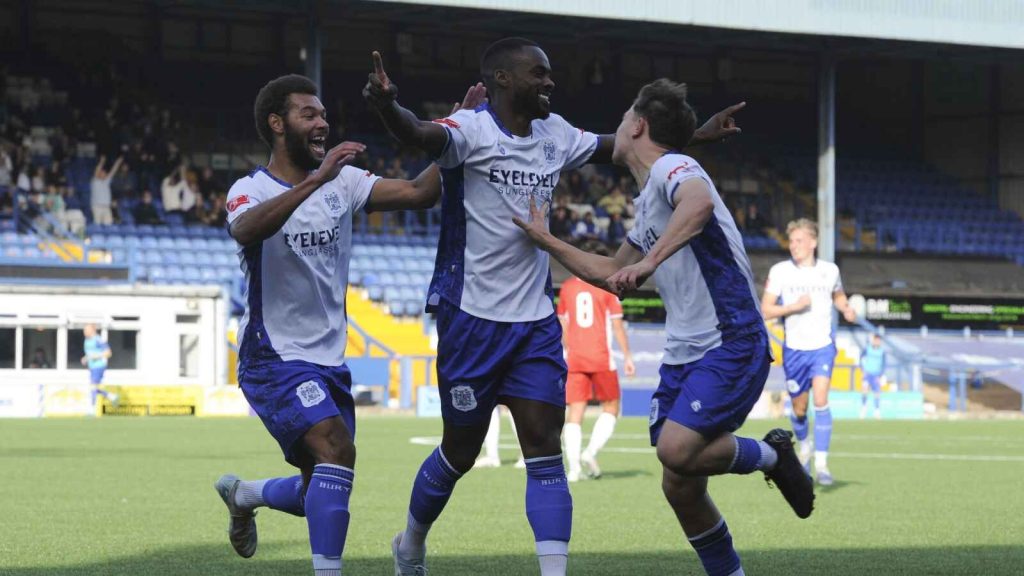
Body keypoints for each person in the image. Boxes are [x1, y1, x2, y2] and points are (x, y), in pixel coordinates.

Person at [364, 39, 745, 576]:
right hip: (470, 317)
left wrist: (692, 135)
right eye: (538, 73)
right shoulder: (470, 129)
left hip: (535, 324)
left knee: (545, 449)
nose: (550, 82)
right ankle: (411, 544)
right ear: (502, 78)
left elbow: (624, 144)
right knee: (460, 452)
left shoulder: (557, 134)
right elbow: (418, 133)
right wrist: (387, 105)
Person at [514, 78, 813, 576]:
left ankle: (772, 456)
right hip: (684, 352)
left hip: (730, 338)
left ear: (637, 125)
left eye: (623, 117)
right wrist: (546, 240)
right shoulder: (650, 199)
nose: (616, 126)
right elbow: (612, 273)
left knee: (677, 449)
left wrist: (650, 261)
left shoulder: (677, 168)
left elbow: (697, 205)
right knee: (679, 482)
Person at [212, 74, 484, 576]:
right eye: (308, 114)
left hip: (329, 359)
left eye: (323, 114)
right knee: (336, 448)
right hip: (272, 356)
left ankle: (245, 494)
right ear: (277, 124)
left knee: (322, 482)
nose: (323, 123)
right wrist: (316, 180)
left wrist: (457, 129)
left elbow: (421, 191)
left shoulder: (346, 181)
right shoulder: (250, 189)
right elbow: (246, 229)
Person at [760, 218, 857, 486]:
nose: (794, 246)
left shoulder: (830, 271)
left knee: (821, 399)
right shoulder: (780, 271)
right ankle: (805, 446)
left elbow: (838, 295)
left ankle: (822, 465)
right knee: (800, 409)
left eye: (799, 241)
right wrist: (793, 307)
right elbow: (766, 309)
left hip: (822, 346)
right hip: (794, 350)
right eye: (791, 241)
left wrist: (846, 308)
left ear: (813, 242)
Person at [557, 256, 635, 482]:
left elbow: (563, 324)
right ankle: (590, 452)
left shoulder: (568, 287)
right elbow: (617, 326)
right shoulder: (606, 287)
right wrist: (627, 356)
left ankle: (573, 470)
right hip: (601, 358)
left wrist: (569, 349)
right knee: (611, 406)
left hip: (575, 358)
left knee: (575, 412)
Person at [81, 324, 118, 407]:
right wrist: (85, 358)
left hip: (99, 366)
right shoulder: (87, 340)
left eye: (86, 330)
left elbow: (108, 353)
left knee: (93, 386)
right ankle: (111, 396)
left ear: (92, 330)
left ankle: (93, 407)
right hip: (92, 366)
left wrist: (96, 356)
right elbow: (90, 353)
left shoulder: (98, 340)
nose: (84, 332)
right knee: (93, 387)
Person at [859, 333, 885, 420]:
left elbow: (884, 364)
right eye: (875, 340)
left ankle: (877, 411)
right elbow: (861, 358)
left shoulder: (882, 351)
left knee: (877, 393)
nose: (877, 342)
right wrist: (863, 370)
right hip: (867, 374)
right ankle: (863, 409)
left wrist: (880, 375)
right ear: (873, 340)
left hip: (876, 375)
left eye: (878, 340)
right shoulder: (867, 349)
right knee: (864, 390)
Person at [91, 155, 122, 226]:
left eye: (105, 173)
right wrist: (101, 162)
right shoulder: (95, 181)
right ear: (99, 174)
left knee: (108, 226)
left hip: (106, 207)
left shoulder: (106, 181)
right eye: (102, 173)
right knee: (97, 225)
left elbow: (113, 171)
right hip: (97, 207)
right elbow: (96, 171)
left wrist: (118, 162)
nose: (104, 174)